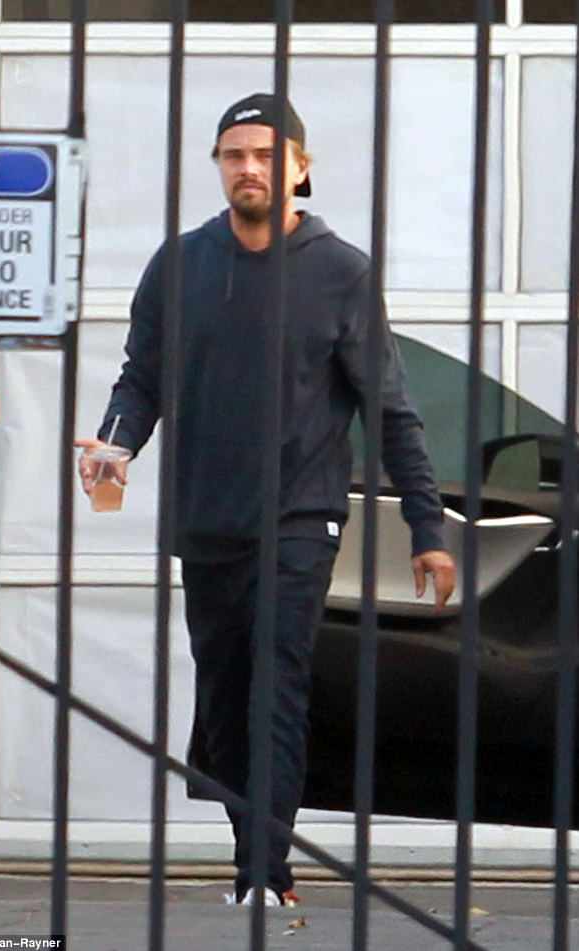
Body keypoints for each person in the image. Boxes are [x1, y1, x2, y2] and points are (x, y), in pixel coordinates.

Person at [76, 92, 456, 908]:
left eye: (265, 155)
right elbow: (141, 378)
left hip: (301, 516)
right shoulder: (180, 264)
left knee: (275, 684)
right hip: (206, 516)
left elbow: (391, 409)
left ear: (300, 168)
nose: (249, 168)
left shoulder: (341, 272)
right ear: (219, 165)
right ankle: (253, 855)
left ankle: (266, 874)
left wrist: (427, 526)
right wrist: (114, 444)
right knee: (224, 696)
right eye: (234, 155)